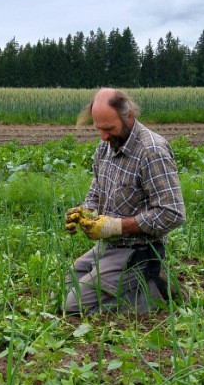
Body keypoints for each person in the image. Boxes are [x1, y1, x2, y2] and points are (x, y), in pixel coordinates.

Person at [63, 88, 186, 314]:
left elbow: (173, 213)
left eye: (108, 128)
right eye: (99, 128)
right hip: (108, 247)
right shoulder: (105, 148)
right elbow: (96, 193)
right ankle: (139, 284)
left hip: (137, 250)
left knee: (74, 307)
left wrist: (116, 226)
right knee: (63, 287)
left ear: (128, 117)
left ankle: (152, 290)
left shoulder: (152, 151)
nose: (103, 136)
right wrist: (83, 211)